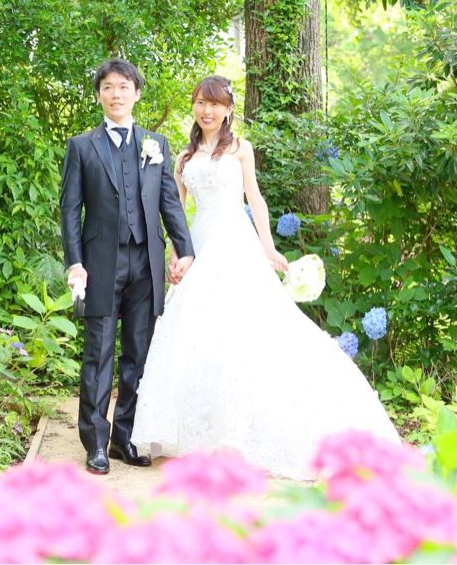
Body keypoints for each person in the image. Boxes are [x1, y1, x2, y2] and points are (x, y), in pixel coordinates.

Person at [132, 75, 399, 480]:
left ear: (228, 109)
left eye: (215, 104)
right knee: (193, 334)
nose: (207, 111)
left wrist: (269, 247)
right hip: (199, 245)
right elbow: (176, 212)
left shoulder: (241, 149)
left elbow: (255, 199)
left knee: (244, 333)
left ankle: (236, 435)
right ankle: (192, 435)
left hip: (236, 244)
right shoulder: (184, 158)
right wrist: (177, 254)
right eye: (201, 103)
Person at [59, 59, 196, 475]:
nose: (115, 93)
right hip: (100, 263)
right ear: (99, 95)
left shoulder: (156, 144)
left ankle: (125, 438)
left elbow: (169, 201)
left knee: (139, 354)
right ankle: (95, 443)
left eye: (123, 86)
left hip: (146, 262)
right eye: (107, 87)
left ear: (136, 93)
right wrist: (75, 262)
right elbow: (70, 210)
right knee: (98, 354)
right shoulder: (82, 146)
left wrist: (184, 249)